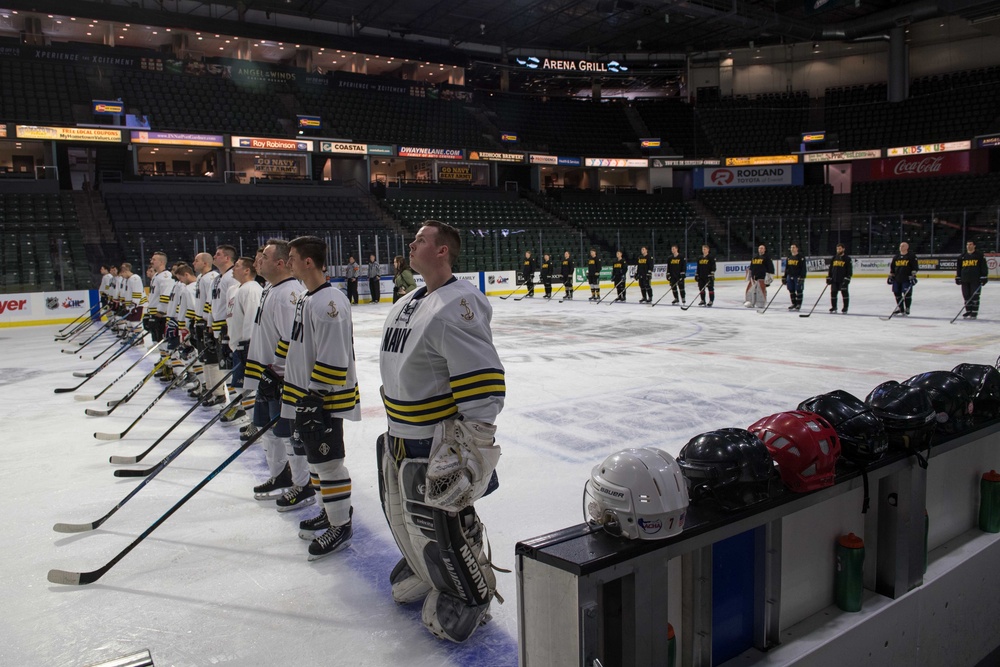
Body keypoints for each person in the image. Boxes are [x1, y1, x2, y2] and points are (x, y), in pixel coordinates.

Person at [378, 220, 505, 643]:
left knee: (440, 522)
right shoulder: (409, 300)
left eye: (421, 240)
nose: (411, 245)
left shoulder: (459, 303)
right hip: (399, 432)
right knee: (403, 517)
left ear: (442, 252)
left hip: (431, 436)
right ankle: (425, 569)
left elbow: (482, 380)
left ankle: (471, 589)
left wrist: (475, 442)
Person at [281, 236, 360, 560]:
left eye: (293, 258)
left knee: (328, 462)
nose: (289, 263)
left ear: (308, 262)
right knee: (315, 459)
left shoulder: (330, 302)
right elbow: (298, 344)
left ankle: (340, 526)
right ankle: (331, 511)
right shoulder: (306, 298)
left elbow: (334, 355)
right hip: (307, 396)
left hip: (323, 399)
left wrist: (316, 395)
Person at [244, 239, 307, 504]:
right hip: (265, 373)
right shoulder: (271, 288)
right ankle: (281, 474)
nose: (258, 261)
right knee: (269, 430)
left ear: (280, 263)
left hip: (279, 378)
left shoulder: (287, 294)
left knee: (289, 434)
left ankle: (302, 484)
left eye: (265, 257)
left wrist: (276, 372)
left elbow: (291, 338)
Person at [222, 257, 263, 425]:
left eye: (237, 266)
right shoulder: (234, 289)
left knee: (247, 387)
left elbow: (252, 318)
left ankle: (256, 423)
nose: (233, 268)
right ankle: (253, 420)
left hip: (246, 346)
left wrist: (248, 345)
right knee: (240, 386)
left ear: (247, 270)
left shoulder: (252, 289)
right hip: (236, 345)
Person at [204, 245, 239, 407]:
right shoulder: (218, 278)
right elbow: (213, 304)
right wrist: (210, 326)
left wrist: (228, 327)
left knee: (232, 369)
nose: (214, 256)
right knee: (225, 369)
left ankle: (239, 406)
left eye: (218, 254)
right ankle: (233, 403)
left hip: (228, 329)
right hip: (219, 329)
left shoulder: (233, 276)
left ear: (227, 258)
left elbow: (233, 304)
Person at [956, 240, 988, 319]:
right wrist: (958, 277)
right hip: (965, 279)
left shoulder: (979, 256)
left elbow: (983, 267)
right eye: (967, 244)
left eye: (970, 244)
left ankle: (974, 312)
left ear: (974, 246)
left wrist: (984, 276)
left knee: (975, 296)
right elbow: (959, 268)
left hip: (975, 279)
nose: (968, 246)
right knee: (966, 295)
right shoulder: (962, 256)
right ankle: (968, 311)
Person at [889, 241, 918, 316]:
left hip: (906, 278)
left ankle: (907, 308)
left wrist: (913, 275)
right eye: (900, 246)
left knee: (907, 294)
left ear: (907, 247)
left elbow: (915, 267)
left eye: (903, 246)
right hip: (897, 278)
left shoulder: (911, 256)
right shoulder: (896, 257)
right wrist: (891, 275)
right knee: (897, 293)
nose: (901, 247)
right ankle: (900, 308)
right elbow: (892, 268)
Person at [827, 243, 853, 313]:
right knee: (833, 293)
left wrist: (847, 278)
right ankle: (834, 306)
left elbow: (849, 270)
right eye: (837, 249)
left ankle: (845, 307)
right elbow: (831, 268)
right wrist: (829, 277)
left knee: (844, 293)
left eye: (840, 249)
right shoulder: (834, 258)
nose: (838, 250)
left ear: (843, 249)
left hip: (842, 279)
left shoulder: (847, 259)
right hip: (834, 279)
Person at [783, 243, 807, 311]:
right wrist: (784, 277)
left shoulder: (801, 257)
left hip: (798, 276)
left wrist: (802, 277)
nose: (792, 249)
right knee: (791, 290)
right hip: (790, 276)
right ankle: (794, 303)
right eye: (791, 247)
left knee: (799, 290)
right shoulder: (789, 257)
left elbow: (803, 268)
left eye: (793, 247)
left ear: (797, 248)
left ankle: (799, 304)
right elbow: (787, 268)